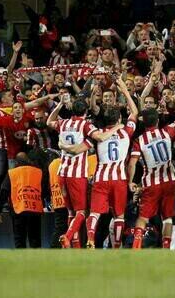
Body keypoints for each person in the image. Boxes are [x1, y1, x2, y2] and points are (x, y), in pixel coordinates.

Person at [63, 77, 138, 249]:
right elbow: (134, 113)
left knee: (95, 213)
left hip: (101, 179)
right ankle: (117, 245)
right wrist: (125, 90)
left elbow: (78, 149)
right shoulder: (126, 132)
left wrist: (64, 146)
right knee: (119, 215)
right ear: (119, 119)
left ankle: (90, 238)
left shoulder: (97, 135)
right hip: (120, 179)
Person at [46, 96, 108, 248]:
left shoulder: (64, 123)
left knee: (70, 212)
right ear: (86, 111)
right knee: (81, 212)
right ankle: (67, 236)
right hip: (76, 175)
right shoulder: (85, 125)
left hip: (62, 173)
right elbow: (99, 136)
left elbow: (48, 122)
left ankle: (76, 247)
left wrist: (60, 104)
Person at [128, 96, 175, 249]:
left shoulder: (139, 141)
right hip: (169, 181)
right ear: (157, 121)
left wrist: (130, 181)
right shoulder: (167, 132)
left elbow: (132, 163)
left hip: (151, 183)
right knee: (167, 217)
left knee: (143, 217)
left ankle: (136, 244)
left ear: (143, 122)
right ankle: (166, 246)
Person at [0, 152, 44, 248]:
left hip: (18, 210)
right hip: (35, 209)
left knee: (19, 239)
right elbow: (44, 189)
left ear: (16, 162)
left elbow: (4, 191)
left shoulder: (12, 173)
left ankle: (21, 261)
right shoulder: (38, 171)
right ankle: (38, 261)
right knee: (35, 239)